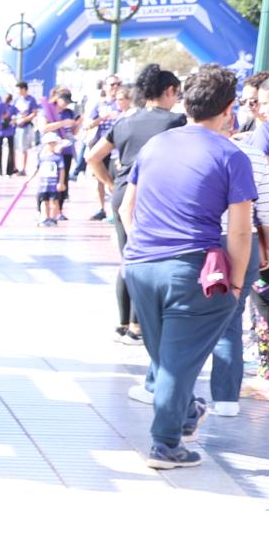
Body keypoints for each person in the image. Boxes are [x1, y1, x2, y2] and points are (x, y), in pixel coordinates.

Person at [122, 64, 255, 469]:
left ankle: (183, 414)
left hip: (140, 265)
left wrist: (139, 249)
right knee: (177, 361)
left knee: (165, 357)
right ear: (230, 109)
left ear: (185, 101)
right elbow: (240, 233)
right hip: (191, 267)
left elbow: (128, 208)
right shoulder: (231, 154)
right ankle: (166, 443)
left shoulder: (156, 146)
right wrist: (234, 286)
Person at [88, 64, 185, 342]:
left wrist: (109, 183)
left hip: (122, 193)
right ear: (168, 91)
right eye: (176, 93)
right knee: (148, 258)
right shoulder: (174, 122)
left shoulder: (124, 122)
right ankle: (138, 324)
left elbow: (93, 157)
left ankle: (123, 321)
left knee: (128, 257)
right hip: (154, 194)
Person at [215, 73, 269, 413]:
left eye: (262, 103)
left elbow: (259, 196)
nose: (259, 110)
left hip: (264, 228)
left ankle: (267, 375)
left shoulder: (266, 135)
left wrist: (265, 243)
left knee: (261, 301)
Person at [83, 76, 126, 218]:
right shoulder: (99, 105)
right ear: (105, 87)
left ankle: (116, 208)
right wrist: (104, 117)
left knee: (117, 177)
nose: (115, 87)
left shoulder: (122, 102)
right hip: (102, 144)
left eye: (118, 84)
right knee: (100, 178)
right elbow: (89, 124)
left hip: (117, 145)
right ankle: (101, 208)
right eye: (112, 84)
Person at [34, 132, 66, 226]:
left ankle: (53, 218)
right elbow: (37, 169)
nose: (51, 145)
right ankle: (45, 217)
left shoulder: (58, 157)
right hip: (43, 184)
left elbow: (62, 170)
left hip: (53, 184)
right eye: (49, 143)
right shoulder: (42, 157)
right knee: (44, 202)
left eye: (53, 143)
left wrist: (61, 182)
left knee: (54, 202)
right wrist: (29, 179)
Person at [10, 80, 39, 178]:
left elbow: (34, 112)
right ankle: (15, 168)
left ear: (24, 89)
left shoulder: (31, 100)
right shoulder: (16, 99)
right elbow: (12, 111)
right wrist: (14, 119)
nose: (17, 91)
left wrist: (24, 120)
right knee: (15, 148)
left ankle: (23, 168)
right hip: (16, 126)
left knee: (24, 148)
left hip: (25, 127)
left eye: (19, 89)